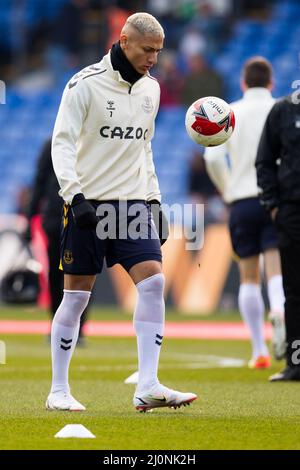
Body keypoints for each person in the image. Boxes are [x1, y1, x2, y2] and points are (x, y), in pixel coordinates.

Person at [47, 12, 197, 411]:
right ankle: (58, 390)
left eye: (159, 52)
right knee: (76, 297)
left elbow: (143, 149)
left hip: (132, 204)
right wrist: (74, 196)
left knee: (152, 283)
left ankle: (147, 384)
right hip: (88, 204)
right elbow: (61, 143)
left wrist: (154, 201)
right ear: (125, 39)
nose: (154, 59)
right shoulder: (84, 84)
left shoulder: (152, 89)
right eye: (148, 50)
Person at [204, 57, 286, 369]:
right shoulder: (281, 109)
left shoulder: (230, 112)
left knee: (248, 276)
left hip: (241, 201)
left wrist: (227, 190)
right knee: (277, 266)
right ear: (271, 82)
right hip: (275, 199)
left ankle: (258, 350)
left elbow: (212, 159)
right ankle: (279, 310)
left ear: (242, 82)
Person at [25, 138, 89, 344]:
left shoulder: (89, 143)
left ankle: (78, 328)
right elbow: (40, 182)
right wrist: (30, 217)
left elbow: (39, 182)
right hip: (56, 218)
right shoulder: (52, 144)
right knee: (58, 273)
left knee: (84, 273)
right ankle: (58, 324)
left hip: (83, 216)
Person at [256, 92, 300, 381]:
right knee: (294, 289)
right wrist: (273, 204)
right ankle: (296, 362)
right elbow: (264, 160)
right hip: (292, 210)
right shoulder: (283, 110)